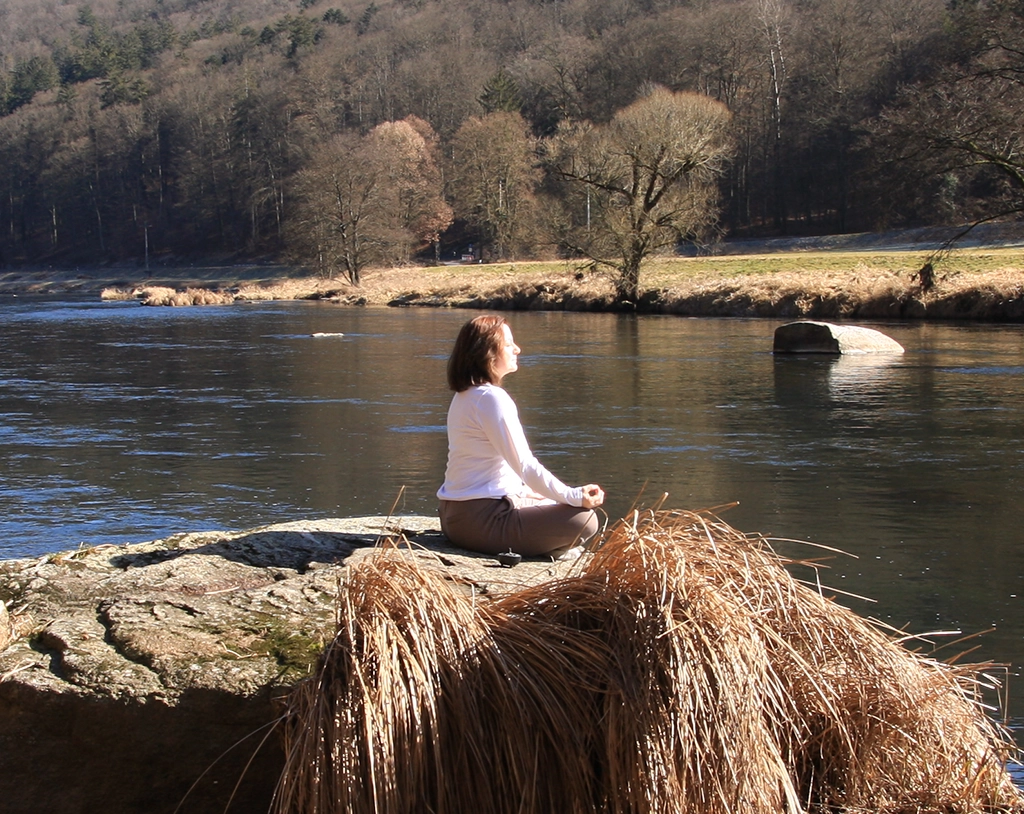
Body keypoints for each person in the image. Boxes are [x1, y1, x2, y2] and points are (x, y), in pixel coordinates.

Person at [437, 315, 605, 557]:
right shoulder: (491, 398)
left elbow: (487, 470)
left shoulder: (466, 395)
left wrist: (527, 493)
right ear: (487, 353)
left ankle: (545, 544)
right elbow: (525, 465)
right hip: (480, 521)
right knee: (585, 520)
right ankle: (547, 548)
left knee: (550, 501)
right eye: (508, 344)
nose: (517, 349)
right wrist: (574, 496)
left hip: (455, 516)